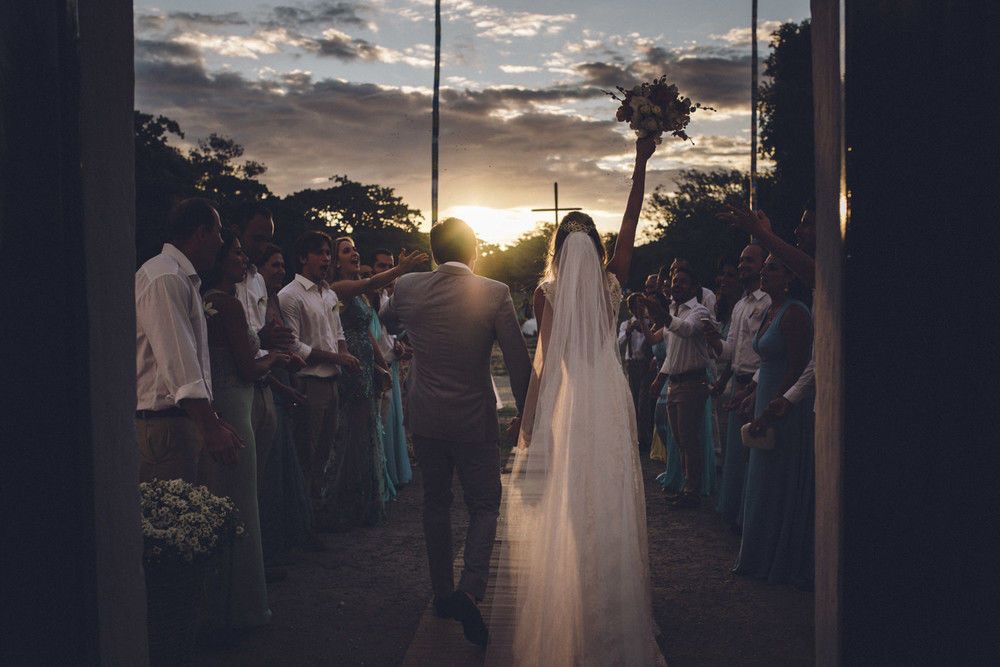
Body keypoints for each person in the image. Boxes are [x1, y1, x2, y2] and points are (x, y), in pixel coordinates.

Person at [490, 137, 664, 665]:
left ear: (559, 250)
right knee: (609, 500)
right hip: (608, 399)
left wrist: (529, 420)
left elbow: (543, 367)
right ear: (596, 246)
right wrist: (640, 163)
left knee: (571, 504)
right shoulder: (614, 283)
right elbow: (631, 224)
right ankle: (613, 608)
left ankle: (574, 609)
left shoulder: (546, 293)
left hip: (569, 404)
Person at [381, 217, 531, 650]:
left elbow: (387, 316)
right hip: (473, 419)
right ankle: (470, 587)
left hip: (427, 416)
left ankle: (443, 592)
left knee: (436, 502)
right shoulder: (494, 292)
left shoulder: (408, 288)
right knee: (485, 503)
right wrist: (528, 415)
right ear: (474, 250)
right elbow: (518, 363)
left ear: (432, 252)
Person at [199, 229, 293, 632]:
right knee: (241, 501)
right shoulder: (229, 306)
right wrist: (273, 357)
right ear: (221, 261)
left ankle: (213, 601)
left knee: (219, 495)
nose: (244, 260)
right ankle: (241, 607)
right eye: (236, 254)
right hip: (236, 404)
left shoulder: (203, 302)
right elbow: (249, 367)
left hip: (214, 401)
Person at [135, 198, 243, 483]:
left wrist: (213, 420)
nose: (221, 242)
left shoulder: (181, 277)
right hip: (165, 427)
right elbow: (178, 362)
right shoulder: (166, 277)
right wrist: (210, 427)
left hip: (179, 422)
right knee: (167, 521)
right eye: (218, 233)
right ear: (200, 233)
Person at [733, 254, 814, 587]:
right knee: (760, 483)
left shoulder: (795, 312)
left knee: (776, 483)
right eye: (764, 268)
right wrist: (752, 397)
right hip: (764, 398)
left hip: (783, 409)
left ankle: (777, 560)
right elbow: (766, 362)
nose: (765, 273)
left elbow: (797, 367)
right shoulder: (771, 310)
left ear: (790, 277)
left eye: (773, 268)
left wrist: (770, 408)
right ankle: (757, 556)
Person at [316, 239, 396, 529]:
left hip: (365, 364)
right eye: (346, 250)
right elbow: (372, 282)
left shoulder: (359, 294)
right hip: (349, 364)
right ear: (336, 262)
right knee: (350, 432)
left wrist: (381, 365)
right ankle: (338, 505)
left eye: (354, 249)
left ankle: (364, 500)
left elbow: (367, 332)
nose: (355, 253)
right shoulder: (339, 289)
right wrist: (403, 268)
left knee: (367, 430)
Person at [278, 231, 359, 503]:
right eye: (320, 253)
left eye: (328, 253)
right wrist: (338, 359)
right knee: (306, 454)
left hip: (332, 383)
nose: (326, 258)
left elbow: (339, 335)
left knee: (326, 453)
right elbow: (294, 347)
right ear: (302, 258)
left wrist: (347, 358)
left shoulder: (329, 294)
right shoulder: (290, 295)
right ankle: (303, 521)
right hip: (308, 384)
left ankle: (315, 511)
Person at [254, 244, 322, 564]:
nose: (279, 270)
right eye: (274, 265)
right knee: (274, 473)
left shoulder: (275, 300)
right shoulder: (266, 301)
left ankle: (285, 540)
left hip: (283, 378)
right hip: (269, 385)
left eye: (282, 265)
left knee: (286, 467)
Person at [232, 204, 301, 490]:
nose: (262, 245)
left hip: (264, 383)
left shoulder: (258, 280)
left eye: (267, 237)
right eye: (257, 237)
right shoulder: (225, 276)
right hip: (236, 384)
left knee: (262, 476)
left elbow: (259, 338)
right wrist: (265, 339)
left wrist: (280, 355)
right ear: (238, 232)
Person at [705, 243, 769, 528]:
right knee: (735, 458)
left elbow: (766, 353)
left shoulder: (768, 301)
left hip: (759, 386)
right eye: (741, 260)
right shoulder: (741, 305)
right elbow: (731, 350)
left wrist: (751, 388)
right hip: (737, 385)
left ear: (762, 265)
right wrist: (713, 339)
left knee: (755, 459)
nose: (743, 265)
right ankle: (736, 517)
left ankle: (753, 521)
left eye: (749, 261)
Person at [647, 266, 714, 509]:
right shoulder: (673, 311)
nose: (676, 285)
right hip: (675, 383)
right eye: (675, 281)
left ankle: (692, 490)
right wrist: (660, 379)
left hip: (693, 382)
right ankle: (687, 486)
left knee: (689, 439)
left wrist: (663, 316)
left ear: (695, 288)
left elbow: (686, 330)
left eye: (683, 282)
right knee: (680, 439)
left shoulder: (699, 311)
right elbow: (670, 354)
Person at [368, 251, 414, 490]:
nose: (385, 270)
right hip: (380, 364)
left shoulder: (389, 294)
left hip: (392, 361)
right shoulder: (370, 295)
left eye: (390, 265)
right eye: (381, 265)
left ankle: (393, 474)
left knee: (395, 420)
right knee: (383, 422)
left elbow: (390, 331)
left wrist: (397, 344)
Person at [618, 293, 653, 450]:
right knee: (632, 400)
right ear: (631, 308)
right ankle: (636, 436)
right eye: (636, 305)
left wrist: (644, 328)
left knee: (643, 402)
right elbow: (619, 343)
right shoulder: (626, 324)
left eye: (641, 304)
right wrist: (628, 332)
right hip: (631, 365)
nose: (639, 308)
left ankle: (645, 437)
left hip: (646, 365)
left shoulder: (649, 322)